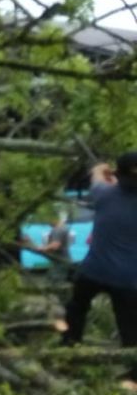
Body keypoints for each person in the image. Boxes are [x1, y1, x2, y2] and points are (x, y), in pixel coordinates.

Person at [59, 155, 137, 382]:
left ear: (117, 175)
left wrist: (102, 169)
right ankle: (133, 375)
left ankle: (69, 347)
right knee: (130, 327)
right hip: (128, 279)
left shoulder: (104, 195)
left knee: (76, 308)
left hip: (94, 270)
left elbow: (96, 175)